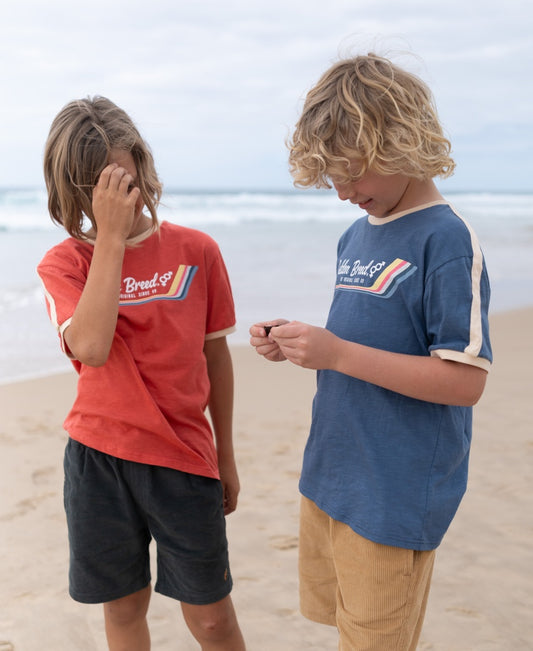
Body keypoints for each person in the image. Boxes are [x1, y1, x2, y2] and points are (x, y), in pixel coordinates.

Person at [250, 53, 492, 650]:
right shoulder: (355, 233)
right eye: (331, 180)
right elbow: (362, 337)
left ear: (400, 142)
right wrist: (298, 344)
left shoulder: (447, 239)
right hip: (335, 477)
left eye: (352, 175)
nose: (343, 194)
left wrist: (336, 355)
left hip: (394, 491)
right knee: (347, 627)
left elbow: (464, 383)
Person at [37, 96, 246, 651]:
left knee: (211, 618)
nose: (110, 196)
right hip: (99, 460)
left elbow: (216, 358)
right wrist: (108, 238)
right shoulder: (65, 264)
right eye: (94, 187)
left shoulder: (197, 250)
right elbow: (91, 346)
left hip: (183, 459)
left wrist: (225, 454)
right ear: (71, 189)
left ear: (142, 167)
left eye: (119, 180)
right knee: (125, 608)